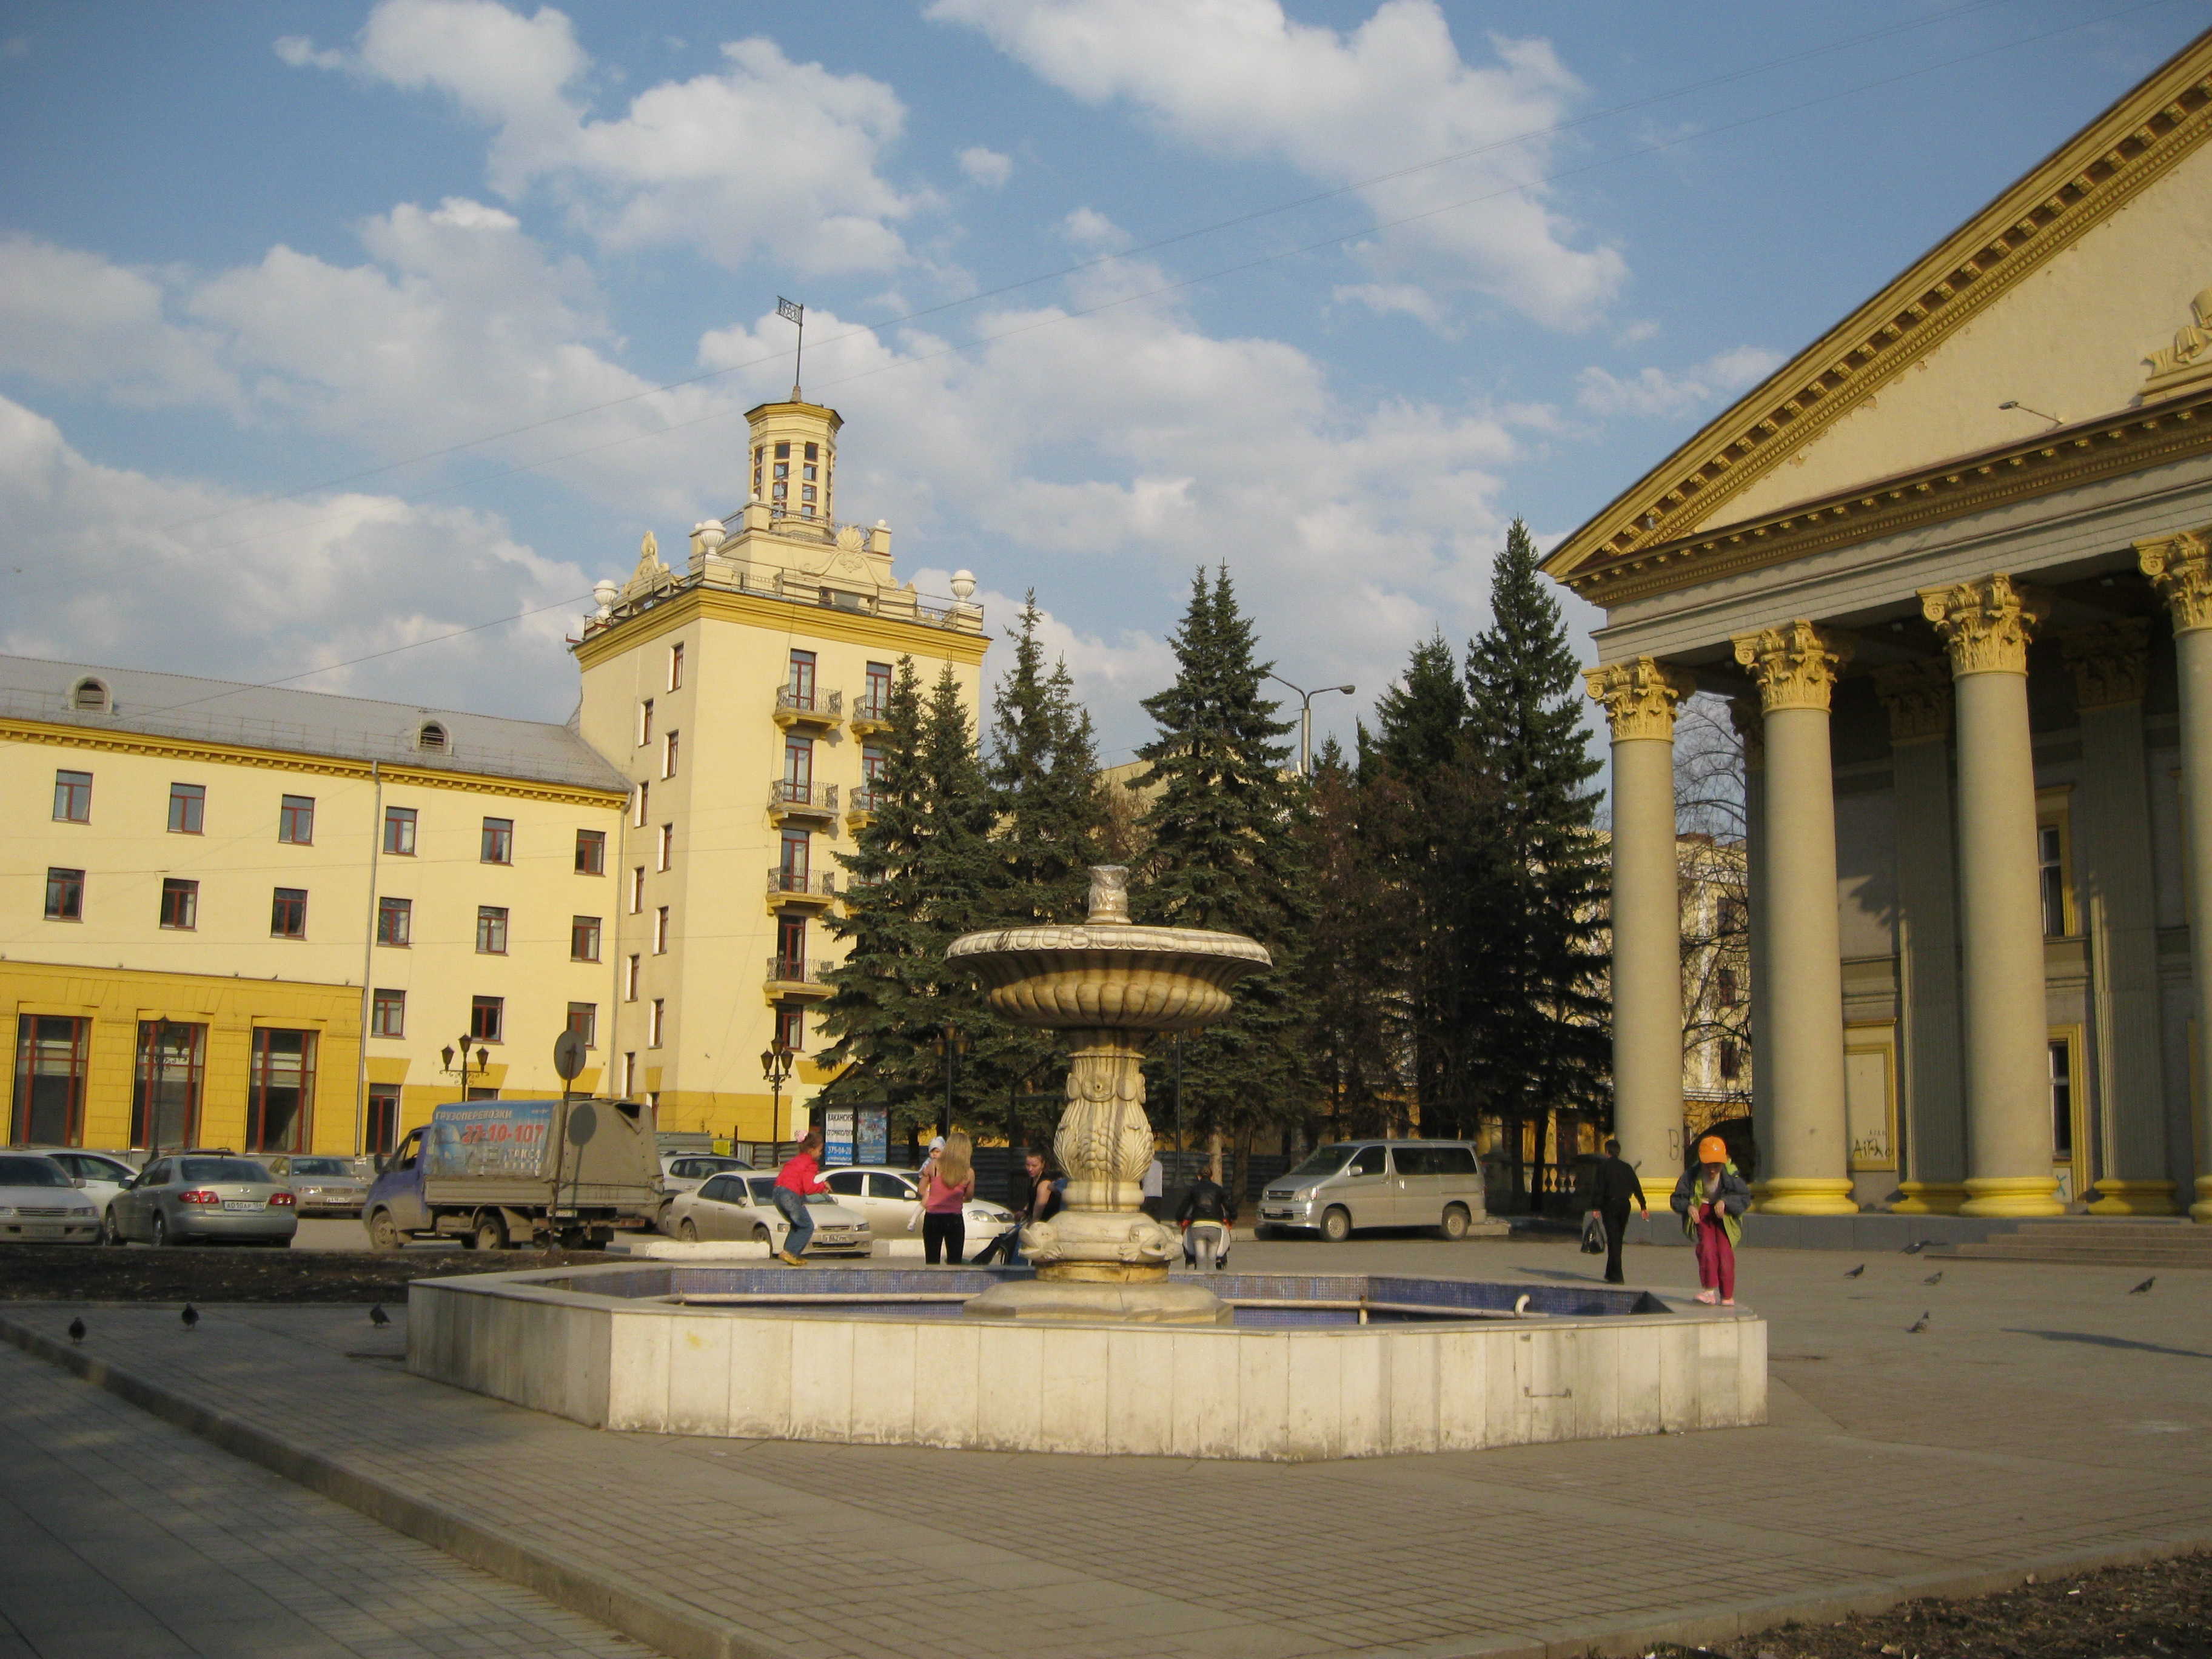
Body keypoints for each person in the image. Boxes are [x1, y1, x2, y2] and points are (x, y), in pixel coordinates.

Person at [1670, 1134, 1751, 1305]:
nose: (1712, 1170)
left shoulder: (1731, 1174)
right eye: (1708, 1165)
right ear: (1701, 1162)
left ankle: (1727, 1296)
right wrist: (1689, 1207)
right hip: (1704, 1212)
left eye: (1717, 1165)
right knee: (1707, 1248)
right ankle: (1709, 1291)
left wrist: (1726, 1202)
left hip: (1725, 1215)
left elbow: (1744, 1197)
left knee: (1725, 1252)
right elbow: (1677, 1198)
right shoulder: (1691, 1175)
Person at [1586, 1138, 1648, 1286]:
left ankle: (1617, 1276)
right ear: (1618, 1152)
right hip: (1625, 1205)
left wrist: (1596, 1207)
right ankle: (1610, 1272)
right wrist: (1643, 1206)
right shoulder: (1627, 1167)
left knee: (1613, 1240)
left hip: (1610, 1204)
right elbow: (1636, 1186)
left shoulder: (1603, 1168)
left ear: (1607, 1152)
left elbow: (1599, 1189)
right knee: (1617, 1239)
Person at [972, 1148, 1044, 1265]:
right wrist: (1024, 1212)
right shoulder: (1034, 1180)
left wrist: (1030, 1225)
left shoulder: (1044, 1183)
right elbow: (1032, 1201)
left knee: (1018, 1243)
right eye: (1028, 1165)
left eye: (1034, 1166)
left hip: (1042, 1224)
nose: (1030, 1169)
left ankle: (1017, 1269)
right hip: (1032, 1219)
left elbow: (1039, 1207)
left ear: (1043, 1165)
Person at [773, 1128, 829, 1265]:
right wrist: (823, 1187)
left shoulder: (796, 1160)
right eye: (820, 1150)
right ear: (811, 1150)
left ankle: (791, 1254)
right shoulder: (810, 1163)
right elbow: (809, 1188)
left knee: (798, 1224)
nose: (821, 1154)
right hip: (790, 1195)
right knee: (807, 1226)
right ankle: (790, 1253)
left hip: (777, 1192)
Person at [919, 1131, 974, 1265]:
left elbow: (921, 1190)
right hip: (954, 1218)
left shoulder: (934, 1166)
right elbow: (969, 1197)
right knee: (955, 1263)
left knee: (932, 1262)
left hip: (933, 1217)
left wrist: (933, 1195)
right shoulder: (969, 1172)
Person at [1176, 1159, 1236, 1271]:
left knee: (1200, 1257)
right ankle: (1211, 1279)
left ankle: (1199, 1281)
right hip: (1215, 1226)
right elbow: (1228, 1205)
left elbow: (1185, 1206)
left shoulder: (1193, 1189)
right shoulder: (1218, 1189)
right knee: (1212, 1258)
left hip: (1198, 1226)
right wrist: (1233, 1216)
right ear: (1212, 1177)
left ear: (1199, 1177)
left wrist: (1179, 1218)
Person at [1140, 1153, 1165, 1219]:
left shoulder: (1144, 1164)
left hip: (1147, 1194)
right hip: (1158, 1194)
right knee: (1156, 1219)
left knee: (1144, 1217)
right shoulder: (1159, 1165)